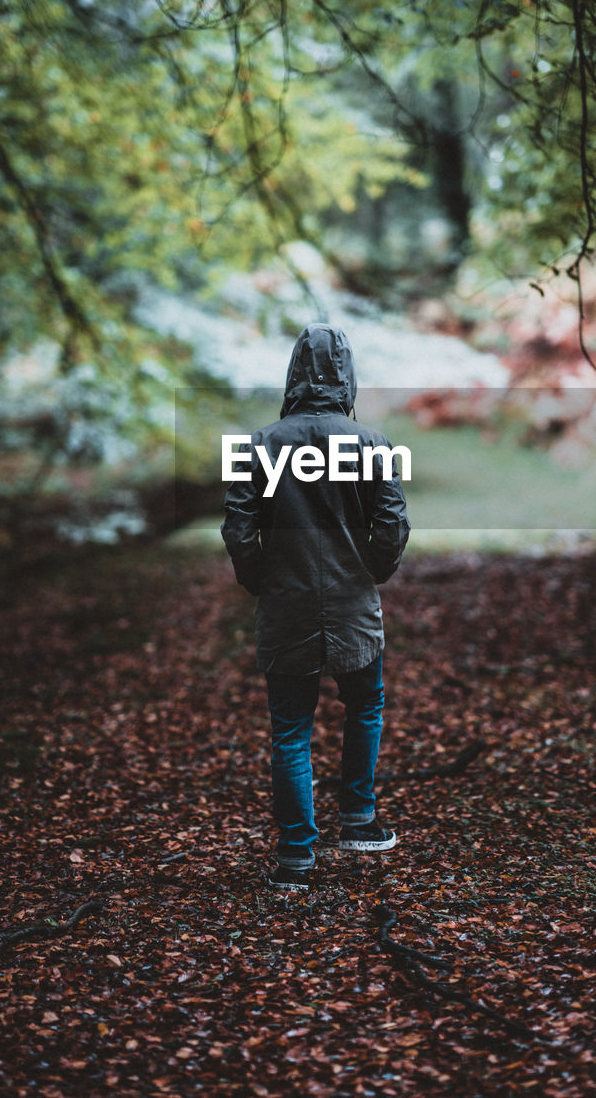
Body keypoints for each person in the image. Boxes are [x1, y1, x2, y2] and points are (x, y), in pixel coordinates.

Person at [221, 323, 410, 891]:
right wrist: (370, 572)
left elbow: (237, 530)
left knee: (290, 730)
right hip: (354, 605)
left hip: (287, 605)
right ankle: (357, 818)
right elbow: (392, 525)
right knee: (365, 706)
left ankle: (295, 858)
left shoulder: (257, 444)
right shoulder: (372, 443)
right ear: (346, 375)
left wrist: (261, 581)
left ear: (293, 372)